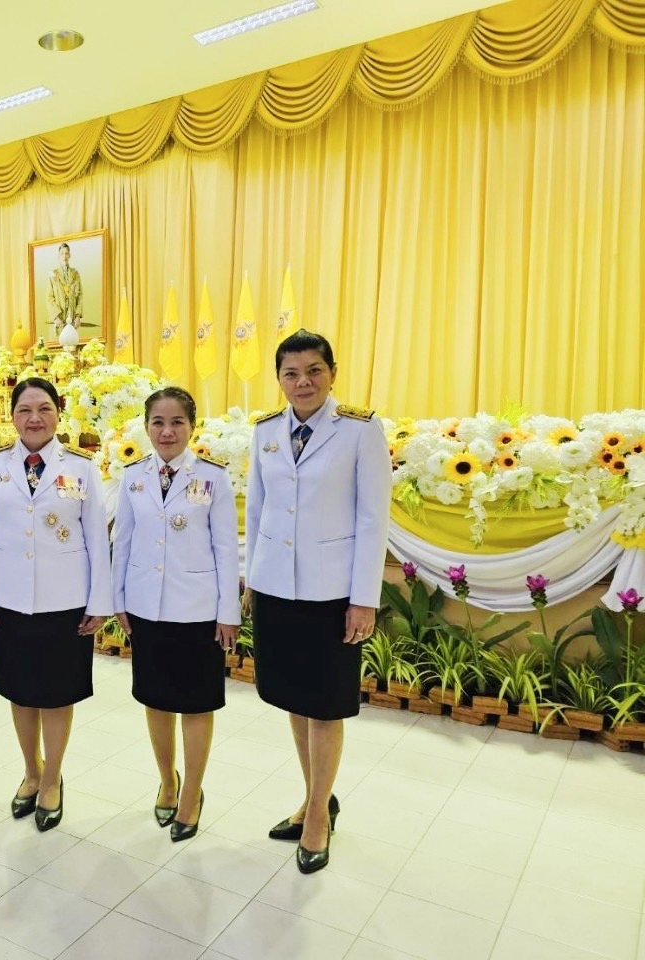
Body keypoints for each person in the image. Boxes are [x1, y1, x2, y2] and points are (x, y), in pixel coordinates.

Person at [244, 329, 391, 874]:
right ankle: (313, 797)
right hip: (278, 588)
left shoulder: (360, 430)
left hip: (333, 594)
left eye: (313, 371)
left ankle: (316, 821)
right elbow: (257, 513)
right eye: (291, 373)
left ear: (332, 373)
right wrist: (253, 581)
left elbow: (373, 520)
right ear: (279, 378)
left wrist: (363, 600)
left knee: (325, 704)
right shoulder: (264, 432)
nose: (302, 382)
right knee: (293, 698)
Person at [0, 377, 112, 832]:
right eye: (25, 409)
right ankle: (31, 769)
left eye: (44, 408)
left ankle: (52, 778)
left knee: (57, 693)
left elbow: (96, 539)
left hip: (65, 600)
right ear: (11, 416)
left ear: (58, 414)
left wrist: (100, 601)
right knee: (20, 691)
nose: (34, 418)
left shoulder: (83, 468)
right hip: (8, 599)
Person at [111, 387, 241, 842]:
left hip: (198, 610)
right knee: (156, 698)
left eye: (177, 423)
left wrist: (228, 612)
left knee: (197, 704)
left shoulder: (213, 478)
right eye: (158, 423)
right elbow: (122, 543)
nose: (167, 432)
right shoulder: (132, 477)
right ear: (146, 427)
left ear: (192, 426)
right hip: (147, 607)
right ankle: (168, 779)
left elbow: (227, 550)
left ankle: (193, 793)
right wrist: (119, 600)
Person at [46, 242, 83, 338]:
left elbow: (80, 296)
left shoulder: (75, 274)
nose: (64, 256)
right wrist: (56, 317)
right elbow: (49, 298)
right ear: (59, 256)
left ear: (69, 255)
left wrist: (78, 316)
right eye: (62, 253)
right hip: (59, 321)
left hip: (72, 321)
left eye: (66, 253)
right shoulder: (53, 275)